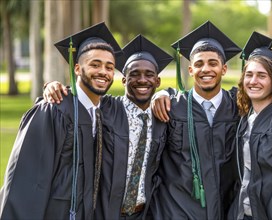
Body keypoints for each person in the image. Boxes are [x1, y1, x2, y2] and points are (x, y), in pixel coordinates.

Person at [42, 34, 174, 220]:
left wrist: (166, 92)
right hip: (104, 212)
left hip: (143, 213)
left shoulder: (163, 115)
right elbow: (82, 96)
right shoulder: (106, 107)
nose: (142, 80)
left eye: (149, 75)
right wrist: (52, 86)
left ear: (157, 81)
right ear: (124, 80)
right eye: (134, 74)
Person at [0, 22, 122, 219]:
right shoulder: (52, 109)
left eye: (110, 67)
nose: (103, 72)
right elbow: (26, 180)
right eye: (95, 64)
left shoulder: (103, 112)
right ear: (77, 69)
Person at [149, 21, 241, 219]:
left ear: (224, 69)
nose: (205, 69)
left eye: (213, 63)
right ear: (190, 70)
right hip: (177, 210)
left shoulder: (238, 106)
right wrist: (160, 93)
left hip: (225, 209)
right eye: (199, 64)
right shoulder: (171, 107)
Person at [230, 31, 272, 220]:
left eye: (261, 76)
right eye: (249, 75)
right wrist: (165, 94)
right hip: (245, 211)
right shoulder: (243, 116)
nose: (253, 81)